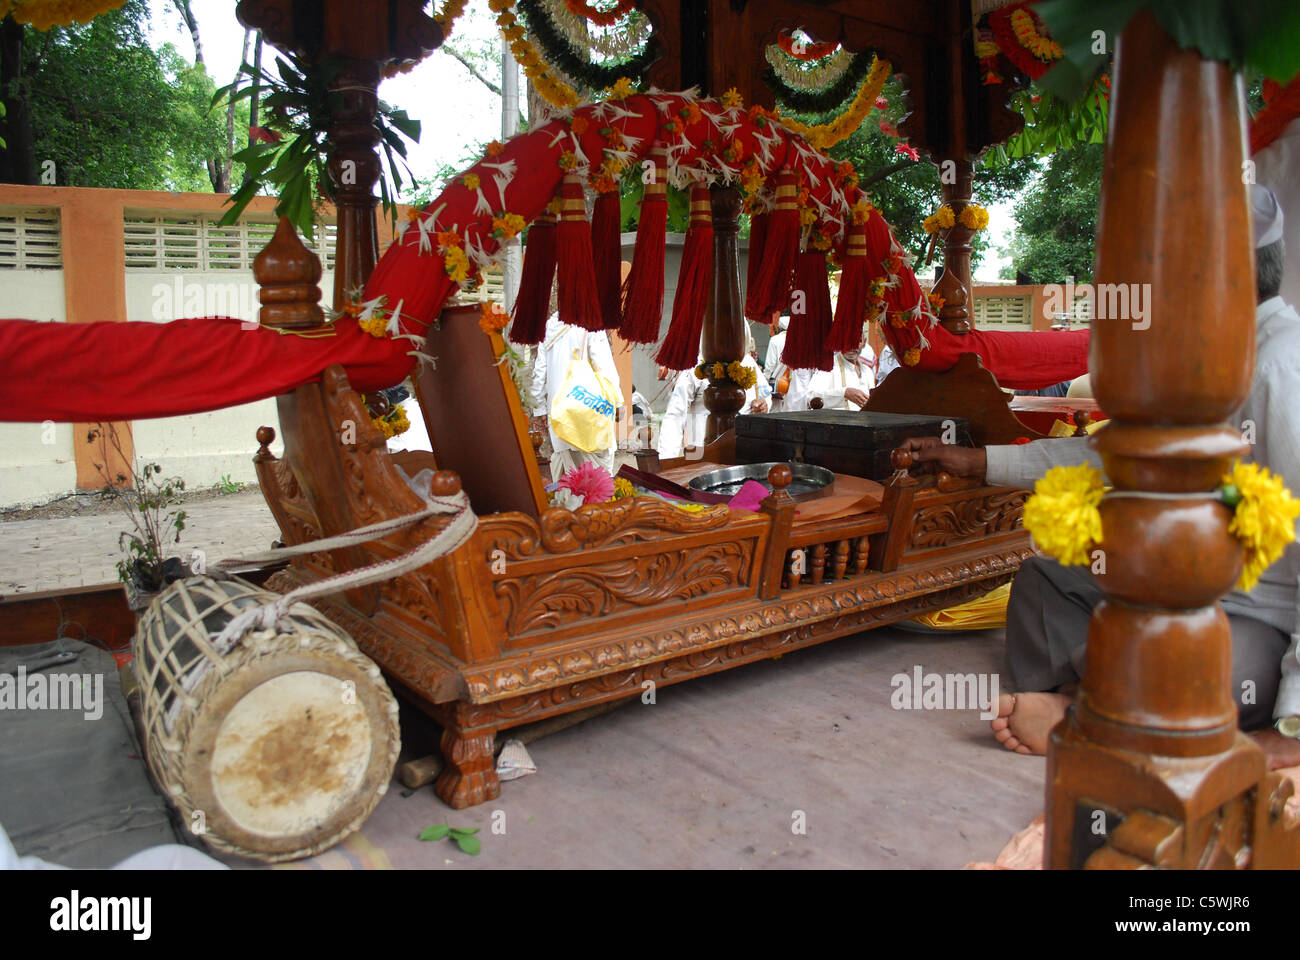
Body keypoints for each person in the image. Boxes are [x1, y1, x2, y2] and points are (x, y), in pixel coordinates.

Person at [897, 185, 1300, 771]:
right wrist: (978, 461)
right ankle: (1100, 700)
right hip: (1169, 589)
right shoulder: (1205, 358)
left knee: (1193, 668)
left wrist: (1295, 723)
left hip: (1257, 619)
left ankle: (1088, 712)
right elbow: (1110, 456)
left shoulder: (1280, 369)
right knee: (1043, 583)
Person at [530, 311, 621, 481]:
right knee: (596, 484)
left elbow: (539, 373)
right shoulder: (591, 324)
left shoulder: (549, 326)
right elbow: (604, 367)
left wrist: (539, 408)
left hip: (559, 416)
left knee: (566, 479)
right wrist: (618, 402)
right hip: (590, 413)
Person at [657, 335, 769, 459]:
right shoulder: (698, 366)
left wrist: (764, 404)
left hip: (743, 449)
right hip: (701, 452)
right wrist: (665, 459)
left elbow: (765, 394)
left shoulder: (748, 362)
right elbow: (676, 415)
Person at [784, 334, 876, 411]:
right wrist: (844, 393)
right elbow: (811, 397)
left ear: (864, 342)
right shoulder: (829, 366)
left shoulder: (867, 371)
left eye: (857, 341)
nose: (851, 346)